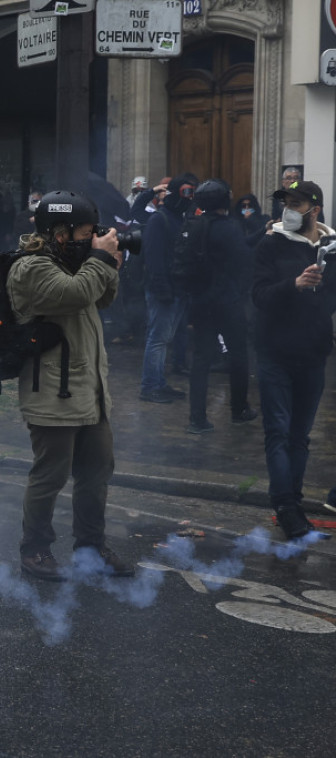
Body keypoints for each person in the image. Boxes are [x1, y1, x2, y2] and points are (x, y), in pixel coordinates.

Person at [6, 190, 133, 581]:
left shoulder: (74, 262)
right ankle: (35, 550)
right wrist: (99, 260)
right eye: (85, 233)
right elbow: (74, 294)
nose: (92, 238)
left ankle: (91, 549)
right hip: (52, 392)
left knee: (97, 472)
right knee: (51, 476)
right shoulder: (31, 267)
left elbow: (101, 298)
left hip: (89, 390)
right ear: (60, 233)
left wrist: (109, 263)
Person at [252, 179, 336, 541]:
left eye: (295, 204)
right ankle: (285, 505)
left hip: (313, 353)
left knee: (300, 436)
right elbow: (258, 295)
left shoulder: (331, 249)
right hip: (275, 352)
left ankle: (294, 502)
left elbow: (329, 302)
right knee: (279, 431)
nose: (287, 210)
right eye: (285, 203)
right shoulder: (270, 244)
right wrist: (294, 285)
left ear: (314, 210)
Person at [179, 179, 257, 434]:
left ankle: (197, 419)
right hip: (227, 301)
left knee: (201, 359)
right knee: (238, 354)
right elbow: (244, 260)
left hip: (201, 301)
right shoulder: (229, 228)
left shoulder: (194, 226)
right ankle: (239, 409)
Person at [139, 173, 198, 403]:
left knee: (164, 339)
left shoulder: (178, 219)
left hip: (177, 290)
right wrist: (162, 289)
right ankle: (150, 386)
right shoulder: (159, 220)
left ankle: (158, 383)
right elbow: (153, 259)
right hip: (164, 290)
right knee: (157, 339)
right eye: (186, 192)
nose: (189, 198)